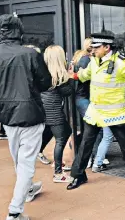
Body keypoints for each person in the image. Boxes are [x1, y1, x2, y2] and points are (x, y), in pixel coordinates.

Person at [0, 14, 52, 220]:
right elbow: (45, 83)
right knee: (24, 162)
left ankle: (28, 188)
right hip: (31, 112)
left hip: (7, 115)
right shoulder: (30, 54)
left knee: (19, 159)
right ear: (19, 31)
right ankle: (15, 211)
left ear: (1, 32)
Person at [67, 33, 125, 190]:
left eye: (96, 47)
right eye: (92, 47)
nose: (92, 50)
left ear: (107, 47)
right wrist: (73, 75)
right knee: (85, 145)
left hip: (115, 113)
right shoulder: (94, 61)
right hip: (95, 112)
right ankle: (78, 175)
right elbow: (85, 75)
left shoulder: (122, 63)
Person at [72, 38, 109, 168]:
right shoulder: (87, 60)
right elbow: (86, 78)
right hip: (84, 98)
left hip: (83, 98)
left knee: (90, 129)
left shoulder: (82, 58)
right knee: (95, 128)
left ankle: (88, 155)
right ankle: (91, 157)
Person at [40, 45, 75, 182]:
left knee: (63, 131)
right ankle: (58, 173)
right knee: (61, 138)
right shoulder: (57, 76)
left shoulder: (44, 73)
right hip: (53, 111)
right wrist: (71, 77)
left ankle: (40, 152)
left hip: (46, 110)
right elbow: (67, 92)